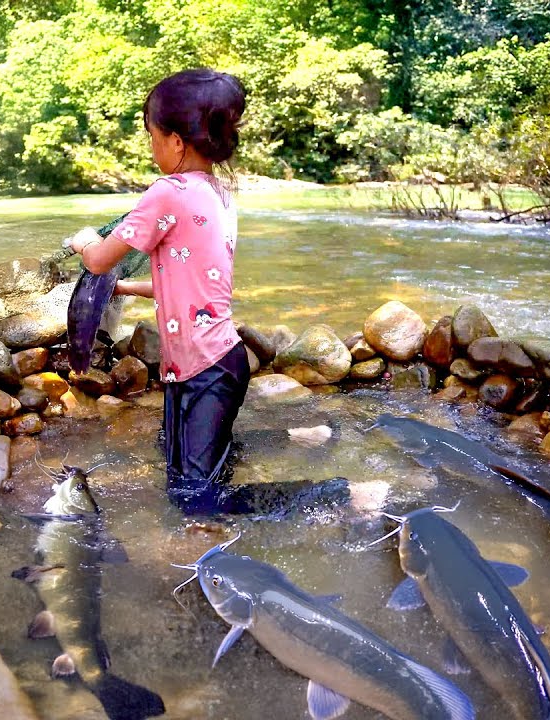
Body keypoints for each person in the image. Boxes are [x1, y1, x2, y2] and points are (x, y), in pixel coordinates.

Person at [68, 68, 345, 515]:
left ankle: (344, 497)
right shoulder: (218, 192)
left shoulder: (167, 192)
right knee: (177, 465)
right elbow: (184, 279)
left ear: (177, 141)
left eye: (152, 135)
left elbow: (98, 258)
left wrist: (82, 241)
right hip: (203, 364)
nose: (151, 145)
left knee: (194, 500)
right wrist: (123, 288)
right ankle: (290, 438)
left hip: (207, 369)